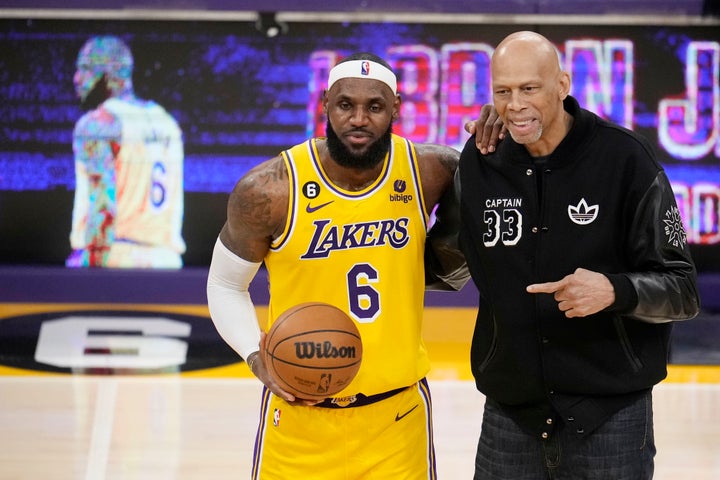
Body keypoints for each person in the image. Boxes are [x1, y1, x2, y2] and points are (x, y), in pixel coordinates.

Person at [206, 52, 481, 479]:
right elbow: (225, 285)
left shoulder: (431, 171)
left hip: (397, 418)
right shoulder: (270, 189)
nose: (359, 118)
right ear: (324, 104)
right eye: (345, 104)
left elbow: (498, 182)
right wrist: (255, 356)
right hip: (300, 420)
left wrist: (496, 138)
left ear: (395, 108)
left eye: (374, 106)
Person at [456, 31, 700, 479]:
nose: (515, 104)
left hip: (610, 420)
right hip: (510, 418)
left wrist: (615, 290)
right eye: (503, 91)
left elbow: (682, 290)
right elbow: (449, 259)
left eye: (529, 88)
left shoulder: (626, 160)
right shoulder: (481, 161)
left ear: (562, 84)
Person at [67, 35, 186, 268]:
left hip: (116, 257)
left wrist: (87, 270)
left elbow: (103, 208)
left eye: (84, 68)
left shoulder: (98, 123)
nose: (77, 78)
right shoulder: (167, 122)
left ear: (106, 72)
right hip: (167, 261)